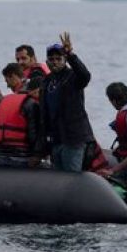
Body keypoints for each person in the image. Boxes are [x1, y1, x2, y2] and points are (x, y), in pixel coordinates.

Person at [40, 32, 96, 172]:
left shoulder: (72, 77)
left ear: (64, 60)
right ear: (47, 61)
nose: (55, 62)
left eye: (58, 58)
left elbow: (85, 75)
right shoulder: (46, 81)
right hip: (55, 140)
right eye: (51, 59)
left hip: (73, 139)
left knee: (71, 178)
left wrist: (71, 54)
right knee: (58, 180)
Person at [0, 76, 46, 167]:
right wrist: (38, 154)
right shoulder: (32, 104)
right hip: (22, 155)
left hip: (1, 154)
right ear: (36, 90)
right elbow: (33, 134)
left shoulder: (5, 100)